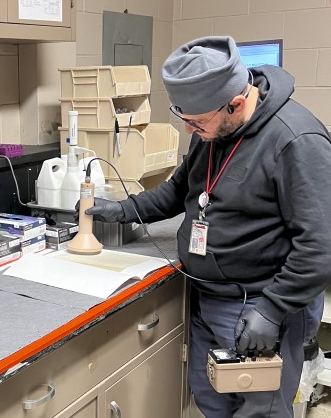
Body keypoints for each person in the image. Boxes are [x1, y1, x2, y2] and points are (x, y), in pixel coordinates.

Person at [81, 36, 331, 417]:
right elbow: (176, 192)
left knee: (260, 410)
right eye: (185, 120)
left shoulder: (296, 140)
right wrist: (122, 209)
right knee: (209, 397)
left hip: (260, 305)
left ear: (236, 102)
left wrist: (273, 310)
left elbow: (320, 245)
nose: (189, 132)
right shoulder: (212, 132)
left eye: (196, 122)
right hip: (208, 298)